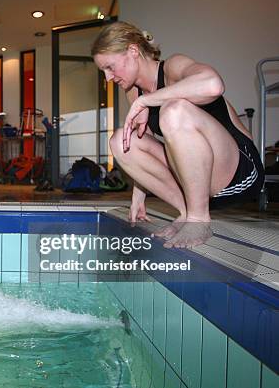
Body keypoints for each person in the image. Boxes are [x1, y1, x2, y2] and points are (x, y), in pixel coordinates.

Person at [91, 22, 264, 248]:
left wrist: (148, 100)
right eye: (103, 71)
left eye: (110, 67)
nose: (108, 78)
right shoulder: (133, 93)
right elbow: (146, 144)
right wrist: (138, 196)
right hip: (199, 183)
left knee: (174, 111)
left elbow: (213, 85)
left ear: (133, 51)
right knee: (121, 140)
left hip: (239, 172)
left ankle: (198, 218)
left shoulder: (173, 67)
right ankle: (186, 213)